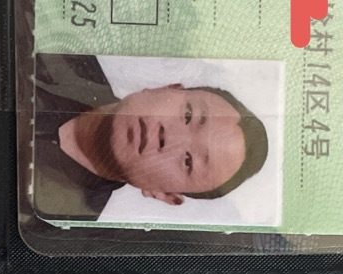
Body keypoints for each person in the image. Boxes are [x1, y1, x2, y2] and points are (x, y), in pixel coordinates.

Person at [33, 54, 269, 222]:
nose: (168, 137)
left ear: (165, 195)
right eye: (188, 115)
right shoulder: (59, 52)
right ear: (167, 88)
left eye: (188, 162)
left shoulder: (53, 221)